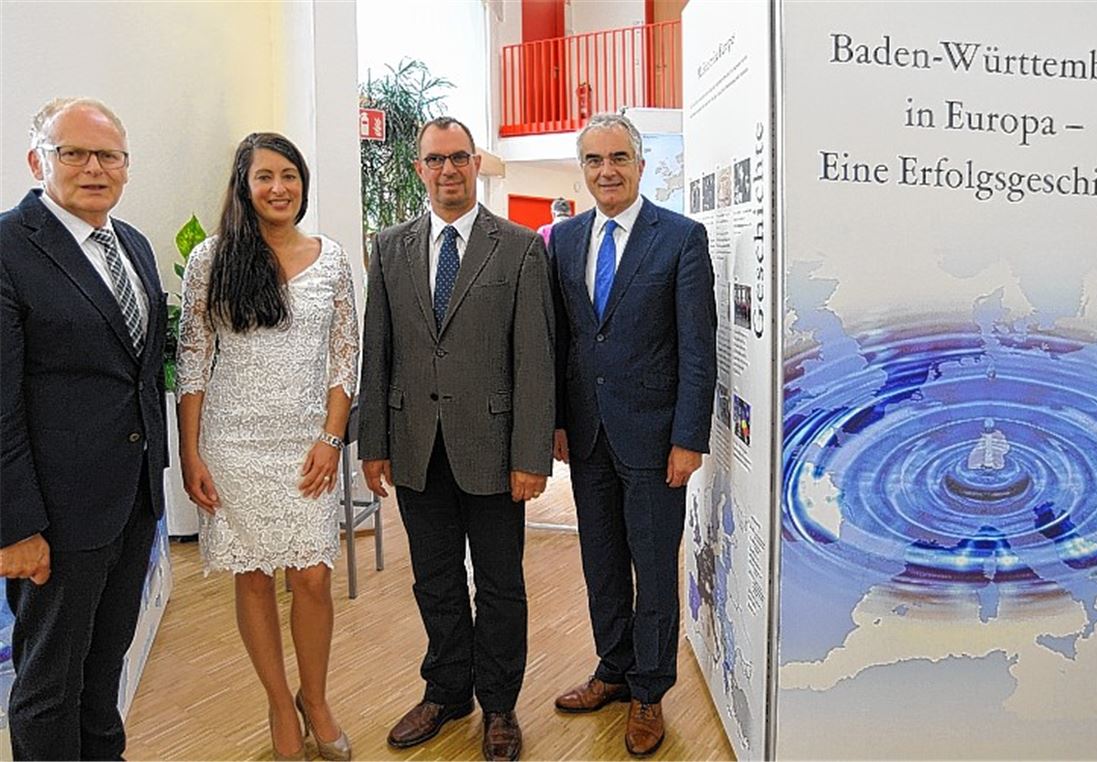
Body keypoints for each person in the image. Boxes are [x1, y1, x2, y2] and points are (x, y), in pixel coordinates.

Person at [358, 116, 555, 762]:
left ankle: (499, 705)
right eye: (436, 159)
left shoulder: (521, 248)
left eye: (460, 158)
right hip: (416, 446)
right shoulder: (388, 247)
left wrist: (531, 455)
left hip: (494, 450)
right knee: (434, 579)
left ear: (477, 165)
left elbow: (535, 361)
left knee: (499, 584)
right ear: (420, 169)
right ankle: (447, 690)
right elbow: (377, 351)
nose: (448, 170)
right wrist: (373, 443)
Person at [175, 132, 358, 761]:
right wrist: (191, 452)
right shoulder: (210, 259)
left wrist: (332, 439)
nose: (278, 187)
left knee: (312, 577)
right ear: (244, 186)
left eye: (289, 175)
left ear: (302, 184)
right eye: (264, 177)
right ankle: (281, 705)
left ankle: (317, 697)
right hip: (231, 443)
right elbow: (193, 361)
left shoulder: (332, 259)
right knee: (251, 579)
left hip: (308, 443)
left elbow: (345, 359)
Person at [0, 97, 167, 760]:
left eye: (109, 156)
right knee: (48, 685)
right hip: (54, 516)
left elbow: (137, 374)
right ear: (37, 158)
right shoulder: (9, 247)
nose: (94, 168)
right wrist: (13, 524)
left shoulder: (133, 244)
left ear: (126, 167)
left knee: (104, 673)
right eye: (74, 152)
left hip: (130, 503)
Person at [548, 113, 716, 756]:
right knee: (601, 566)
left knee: (653, 567)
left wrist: (688, 438)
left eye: (619, 157)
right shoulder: (563, 240)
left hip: (654, 439)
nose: (607, 171)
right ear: (583, 169)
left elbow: (698, 349)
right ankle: (613, 671)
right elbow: (565, 341)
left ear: (641, 165)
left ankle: (650, 691)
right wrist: (560, 421)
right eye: (594, 160)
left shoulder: (680, 238)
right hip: (588, 436)